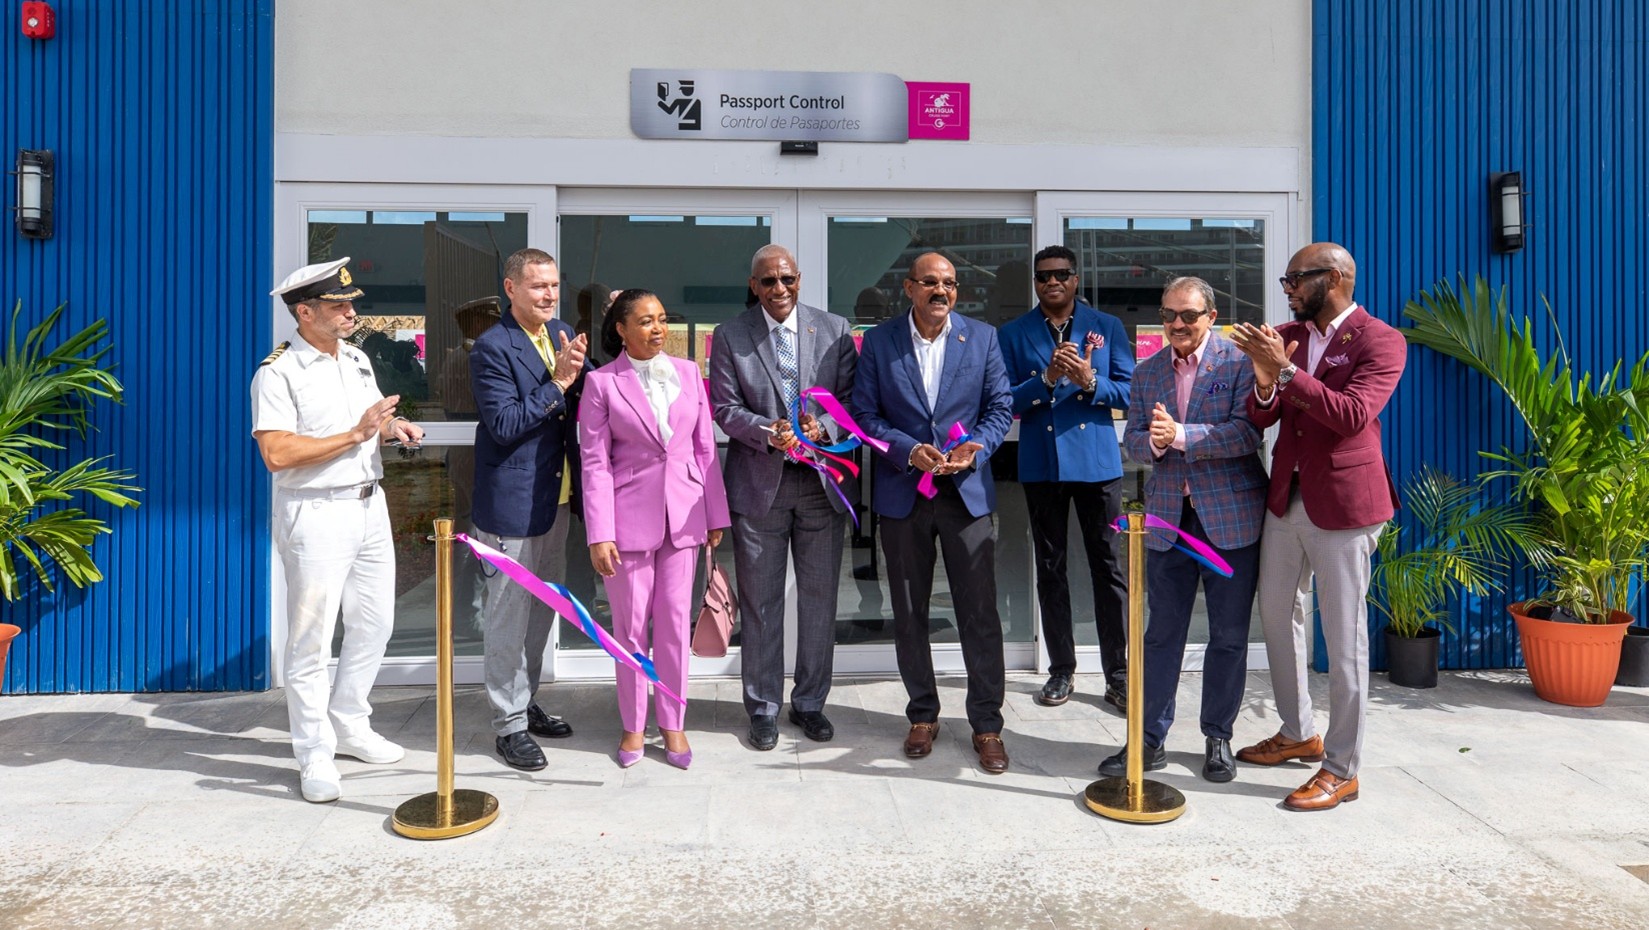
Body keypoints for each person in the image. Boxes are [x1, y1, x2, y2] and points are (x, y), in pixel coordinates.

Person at [1229, 242, 1406, 811]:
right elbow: (1263, 415)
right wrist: (1264, 379)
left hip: (1346, 505)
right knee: (1278, 614)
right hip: (1287, 498)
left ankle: (1342, 767)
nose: (1286, 290)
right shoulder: (1291, 337)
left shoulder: (1381, 340)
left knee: (1346, 635)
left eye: (1292, 280)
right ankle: (1298, 730)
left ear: (1331, 278)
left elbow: (1352, 415)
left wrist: (1283, 370)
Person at [251, 257, 425, 803]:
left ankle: (349, 722)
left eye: (351, 303)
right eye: (338, 306)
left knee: (375, 623)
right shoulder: (277, 372)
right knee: (311, 639)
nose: (352, 312)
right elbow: (276, 453)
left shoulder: (356, 357)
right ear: (304, 312)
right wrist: (356, 434)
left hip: (369, 506)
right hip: (316, 512)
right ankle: (314, 752)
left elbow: (364, 423)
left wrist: (393, 429)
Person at [851, 252, 1015, 774]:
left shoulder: (983, 338)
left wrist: (977, 448)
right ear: (909, 288)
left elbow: (999, 407)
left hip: (965, 493)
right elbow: (863, 414)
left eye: (948, 283)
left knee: (980, 615)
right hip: (905, 494)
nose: (939, 291)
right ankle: (922, 714)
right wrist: (905, 449)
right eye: (929, 282)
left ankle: (986, 724)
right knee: (909, 612)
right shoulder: (879, 342)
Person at [1100, 276, 1267, 783]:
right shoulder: (1147, 370)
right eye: (1169, 314)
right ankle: (1148, 740)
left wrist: (1180, 437)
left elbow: (1247, 433)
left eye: (1188, 315)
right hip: (1168, 520)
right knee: (1160, 636)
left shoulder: (1239, 363)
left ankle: (1218, 738)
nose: (1176, 324)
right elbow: (1131, 437)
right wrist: (1150, 444)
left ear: (1211, 317)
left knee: (1229, 637)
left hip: (1230, 520)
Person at [709, 245, 858, 751]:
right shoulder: (731, 335)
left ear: (800, 280)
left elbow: (855, 401)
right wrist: (766, 431)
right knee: (762, 603)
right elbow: (724, 409)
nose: (779, 289)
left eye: (787, 279)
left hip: (821, 486)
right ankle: (764, 707)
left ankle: (811, 702)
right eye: (768, 281)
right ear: (753, 285)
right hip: (760, 486)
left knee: (819, 602)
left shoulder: (834, 329)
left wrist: (826, 424)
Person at [581, 289, 730, 769]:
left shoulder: (688, 374)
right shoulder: (602, 383)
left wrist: (716, 514)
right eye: (645, 321)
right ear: (621, 329)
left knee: (671, 625)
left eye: (662, 319)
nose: (658, 328)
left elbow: (705, 451)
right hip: (627, 524)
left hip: (684, 518)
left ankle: (673, 723)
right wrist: (599, 532)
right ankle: (632, 725)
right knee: (629, 629)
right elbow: (595, 463)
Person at [996, 245, 1132, 711]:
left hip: (1096, 465)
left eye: (1060, 275)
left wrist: (1091, 382)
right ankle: (1061, 669)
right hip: (1044, 463)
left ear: (1075, 279)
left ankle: (1118, 673)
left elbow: (1130, 392)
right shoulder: (1014, 334)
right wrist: (1048, 379)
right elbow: (1005, 400)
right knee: (1051, 570)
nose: (1051, 283)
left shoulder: (1106, 327)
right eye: (1042, 277)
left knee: (1108, 569)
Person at [469, 248, 589, 772]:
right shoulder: (492, 348)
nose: (549, 295)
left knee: (541, 613)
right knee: (507, 618)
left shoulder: (560, 332)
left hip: (555, 500)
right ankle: (507, 726)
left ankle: (524, 699)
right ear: (511, 288)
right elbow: (505, 424)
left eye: (554, 285)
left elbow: (594, 390)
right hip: (511, 506)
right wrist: (560, 382)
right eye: (538, 286)